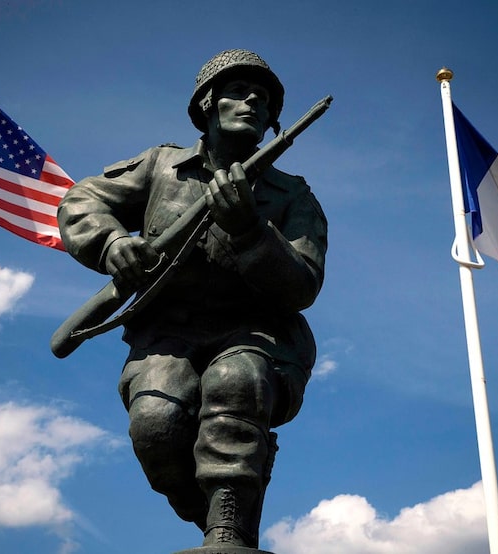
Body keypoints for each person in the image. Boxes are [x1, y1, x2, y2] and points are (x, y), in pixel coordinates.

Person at [57, 49, 328, 549]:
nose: (252, 101)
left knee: (236, 381)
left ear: (273, 120)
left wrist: (250, 231)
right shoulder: (162, 166)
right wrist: (112, 243)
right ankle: (212, 511)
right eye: (238, 91)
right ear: (207, 103)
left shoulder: (292, 196)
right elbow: (83, 200)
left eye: (264, 99)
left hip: (259, 335)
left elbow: (303, 284)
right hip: (167, 336)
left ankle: (229, 516)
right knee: (156, 427)